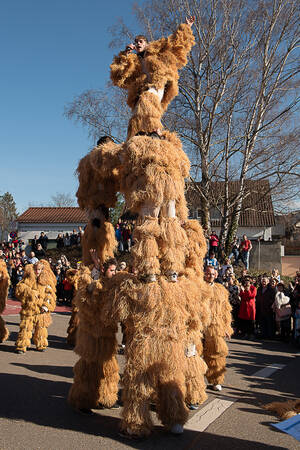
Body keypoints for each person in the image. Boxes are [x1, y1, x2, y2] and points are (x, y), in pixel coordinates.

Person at [110, 16, 195, 139]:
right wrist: (125, 54)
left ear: (146, 44)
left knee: (148, 99)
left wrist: (187, 27)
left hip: (158, 85)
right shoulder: (134, 61)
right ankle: (137, 137)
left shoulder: (155, 50)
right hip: (142, 90)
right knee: (136, 114)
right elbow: (118, 75)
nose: (138, 43)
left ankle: (156, 131)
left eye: (140, 41)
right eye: (136, 42)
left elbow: (173, 43)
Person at [15, 260, 56, 353]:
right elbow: (19, 289)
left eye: (40, 270)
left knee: (41, 328)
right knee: (25, 328)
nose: (37, 271)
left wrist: (46, 307)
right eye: (36, 269)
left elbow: (50, 295)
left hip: (41, 310)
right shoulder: (27, 279)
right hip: (29, 309)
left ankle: (41, 344)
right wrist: (30, 292)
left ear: (42, 270)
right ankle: (22, 346)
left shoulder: (46, 281)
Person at [203, 266, 232, 392]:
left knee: (216, 355)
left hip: (215, 327)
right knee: (194, 356)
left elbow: (226, 310)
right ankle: (196, 385)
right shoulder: (197, 287)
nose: (210, 276)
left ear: (216, 275)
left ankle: (216, 380)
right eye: (208, 273)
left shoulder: (221, 290)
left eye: (212, 274)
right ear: (204, 274)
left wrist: (227, 327)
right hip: (198, 326)